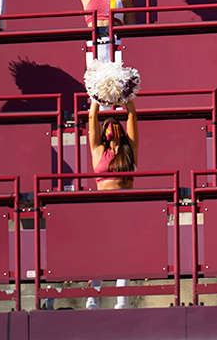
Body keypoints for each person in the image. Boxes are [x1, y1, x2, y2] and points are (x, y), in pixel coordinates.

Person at [86, 99, 138, 309]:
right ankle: (93, 297)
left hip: (126, 208)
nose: (111, 126)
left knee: (124, 251)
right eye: (107, 124)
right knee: (99, 251)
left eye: (115, 123)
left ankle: (122, 299)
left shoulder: (130, 149)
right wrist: (97, 98)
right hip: (102, 208)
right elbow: (91, 117)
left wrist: (127, 97)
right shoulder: (98, 149)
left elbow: (132, 116)